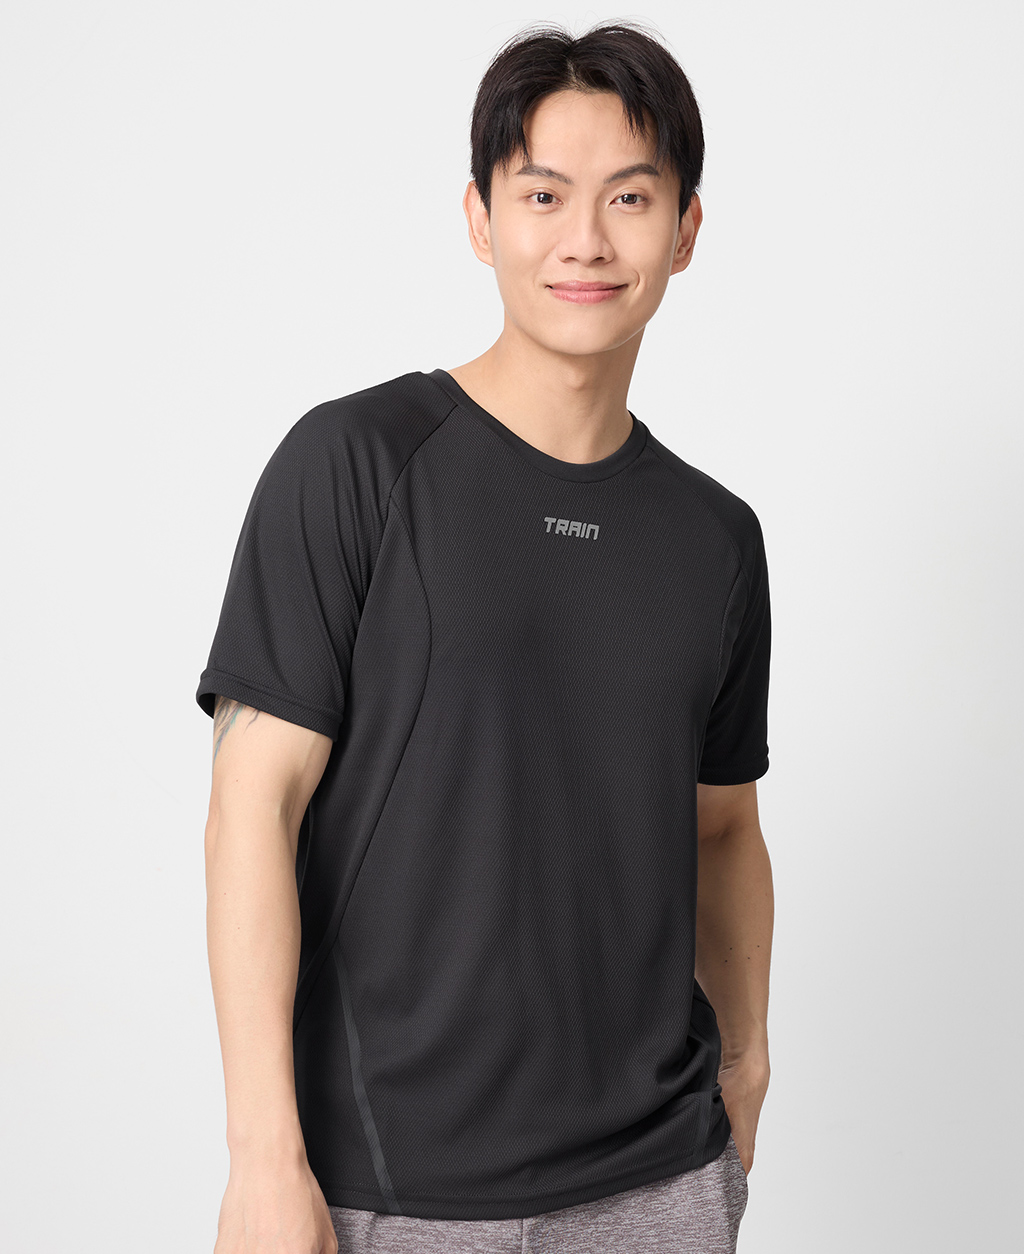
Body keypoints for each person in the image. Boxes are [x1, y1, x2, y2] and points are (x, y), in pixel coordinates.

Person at [197, 18, 773, 1254]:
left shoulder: (716, 538)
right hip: (391, 1188)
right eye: (543, 195)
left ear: (685, 231)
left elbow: (723, 826)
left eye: (629, 197)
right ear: (479, 219)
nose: (585, 240)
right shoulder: (355, 464)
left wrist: (746, 1068)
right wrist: (262, 1159)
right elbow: (253, 805)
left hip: (657, 1184)